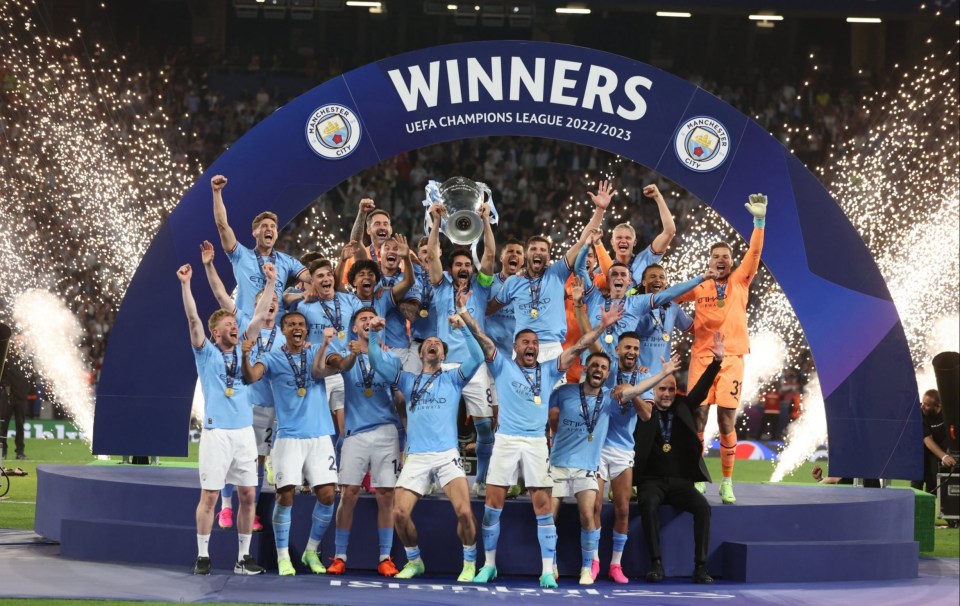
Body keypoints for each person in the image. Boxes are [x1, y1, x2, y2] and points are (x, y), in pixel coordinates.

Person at [459, 290, 621, 588]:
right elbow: (482, 338)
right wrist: (465, 312)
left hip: (536, 444)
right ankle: (489, 565)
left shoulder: (548, 370)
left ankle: (547, 570)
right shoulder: (502, 365)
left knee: (543, 508)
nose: (531, 346)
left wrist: (602, 327)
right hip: (506, 440)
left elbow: (580, 347)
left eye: (534, 342)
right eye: (526, 342)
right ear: (516, 347)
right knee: (493, 505)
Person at [548, 351, 681, 585]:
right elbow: (543, 405)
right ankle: (553, 564)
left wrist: (663, 373)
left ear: (607, 374)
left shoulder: (611, 397)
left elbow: (639, 393)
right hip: (565, 461)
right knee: (555, 515)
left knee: (608, 511)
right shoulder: (566, 392)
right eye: (594, 365)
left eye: (602, 367)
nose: (598, 369)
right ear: (585, 368)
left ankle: (599, 566)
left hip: (602, 458)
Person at [367, 314, 484, 582]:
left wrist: (464, 328)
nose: (433, 344)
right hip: (417, 456)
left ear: (443, 354)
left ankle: (468, 563)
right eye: (428, 342)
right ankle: (414, 560)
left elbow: (477, 357)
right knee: (399, 513)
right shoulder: (408, 381)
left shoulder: (454, 378)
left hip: (446, 455)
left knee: (465, 512)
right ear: (421, 354)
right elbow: (376, 361)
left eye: (438, 344)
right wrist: (374, 334)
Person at [177, 262, 274, 576]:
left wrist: (271, 282)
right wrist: (186, 284)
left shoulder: (246, 345)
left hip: (245, 431)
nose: (236, 326)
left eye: (236, 323)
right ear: (216, 331)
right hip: (217, 432)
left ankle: (243, 559)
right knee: (211, 496)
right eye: (229, 324)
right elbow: (193, 318)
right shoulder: (206, 353)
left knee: (248, 495)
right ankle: (203, 556)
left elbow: (260, 315)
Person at [675, 193, 769, 504]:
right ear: (709, 261)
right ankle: (699, 476)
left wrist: (758, 223)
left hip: (731, 359)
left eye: (726, 256)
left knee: (726, 421)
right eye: (716, 256)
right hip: (701, 358)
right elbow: (670, 298)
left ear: (731, 261)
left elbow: (754, 253)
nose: (721, 260)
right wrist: (686, 323)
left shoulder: (740, 280)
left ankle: (727, 482)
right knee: (698, 419)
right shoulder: (699, 285)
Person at [621, 332, 726, 585]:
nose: (666, 394)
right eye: (661, 389)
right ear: (653, 390)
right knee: (647, 503)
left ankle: (701, 567)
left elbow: (701, 390)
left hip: (680, 482)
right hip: (651, 481)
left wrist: (717, 362)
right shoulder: (644, 409)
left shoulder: (683, 406)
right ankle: (655, 563)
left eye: (671, 389)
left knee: (703, 507)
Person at [240, 315, 340, 576]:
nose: (297, 328)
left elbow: (339, 365)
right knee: (285, 495)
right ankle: (284, 557)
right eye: (291, 324)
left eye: (301, 324)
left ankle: (310, 551)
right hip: (289, 437)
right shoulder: (272, 358)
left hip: (320, 436)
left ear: (306, 329)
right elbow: (251, 377)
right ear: (284, 330)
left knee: (328, 495)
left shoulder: (317, 354)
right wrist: (244, 356)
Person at [201, 240, 281, 533]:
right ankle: (225, 507)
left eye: (273, 303)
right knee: (229, 459)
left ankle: (253, 512)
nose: (269, 306)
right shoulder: (244, 322)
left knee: (254, 462)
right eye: (264, 302)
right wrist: (209, 265)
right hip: (244, 403)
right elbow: (220, 293)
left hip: (270, 406)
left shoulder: (285, 337)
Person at [486, 181, 611, 360]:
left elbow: (583, 241)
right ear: (526, 255)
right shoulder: (513, 281)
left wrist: (599, 210)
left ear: (549, 256)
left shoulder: (557, 273)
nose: (538, 252)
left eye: (543, 250)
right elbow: (490, 308)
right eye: (534, 249)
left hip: (552, 349)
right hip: (522, 348)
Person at [323, 307, 404, 576]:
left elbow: (395, 382)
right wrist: (353, 352)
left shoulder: (390, 356)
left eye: (372, 319)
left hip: (386, 432)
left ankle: (385, 557)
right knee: (349, 494)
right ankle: (340, 555)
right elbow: (337, 364)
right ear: (354, 327)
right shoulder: (348, 357)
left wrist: (373, 348)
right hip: (355, 434)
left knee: (386, 495)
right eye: (362, 320)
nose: (368, 322)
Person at [425, 201, 498, 495]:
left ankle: (481, 479)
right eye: (459, 264)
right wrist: (435, 221)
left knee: (484, 426)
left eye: (468, 264)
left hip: (475, 364)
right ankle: (433, 478)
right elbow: (431, 255)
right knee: (437, 423)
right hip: (444, 366)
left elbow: (491, 254)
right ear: (452, 269)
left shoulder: (480, 287)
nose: (464, 268)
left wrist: (485, 222)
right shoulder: (441, 284)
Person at [210, 175, 308, 315]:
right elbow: (222, 226)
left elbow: (312, 278)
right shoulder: (240, 255)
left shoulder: (287, 261)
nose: (269, 229)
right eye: (264, 226)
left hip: (276, 331)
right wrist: (217, 192)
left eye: (273, 226)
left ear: (276, 233)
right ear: (254, 233)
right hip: (246, 329)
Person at [592, 183, 677, 292]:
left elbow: (669, 231)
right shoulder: (603, 270)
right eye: (619, 238)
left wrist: (658, 197)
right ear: (612, 242)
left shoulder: (646, 259)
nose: (623, 241)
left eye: (628, 238)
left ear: (635, 242)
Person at [911, 389, 957, 493]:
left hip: (938, 454)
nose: (922, 406)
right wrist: (944, 456)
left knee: (933, 486)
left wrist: (948, 454)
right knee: (916, 487)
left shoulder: (948, 413)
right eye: (923, 403)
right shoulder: (919, 413)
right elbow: (927, 440)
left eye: (927, 405)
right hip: (921, 453)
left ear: (938, 406)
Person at [485, 238, 525, 358]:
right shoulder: (488, 282)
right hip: (489, 352)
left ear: (523, 260)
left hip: (516, 354)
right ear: (501, 257)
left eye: (519, 253)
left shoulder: (529, 286)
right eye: (510, 251)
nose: (514, 254)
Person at [0, 334, 31, 462]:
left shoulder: (26, 358)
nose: (19, 342)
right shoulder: (7, 355)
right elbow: (2, 372)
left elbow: (31, 375)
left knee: (20, 425)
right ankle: (3, 451)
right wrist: (6, 387)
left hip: (21, 397)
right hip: (8, 395)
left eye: (21, 340)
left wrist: (25, 391)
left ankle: (20, 452)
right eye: (17, 340)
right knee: (3, 425)